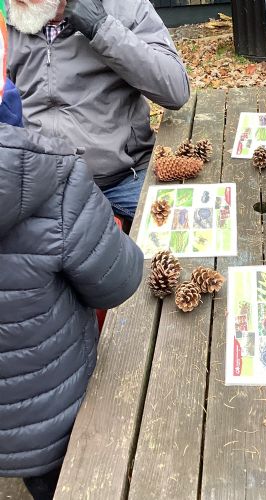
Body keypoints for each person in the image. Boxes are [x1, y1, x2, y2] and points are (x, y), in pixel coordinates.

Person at [0, 2, 144, 497]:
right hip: (55, 415)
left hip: (117, 178)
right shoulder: (11, 25)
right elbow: (120, 279)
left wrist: (96, 24)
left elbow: (176, 87)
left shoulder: (122, 8)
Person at [7, 0, 190, 219]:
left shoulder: (124, 6)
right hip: (37, 189)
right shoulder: (8, 18)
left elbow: (176, 89)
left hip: (121, 181)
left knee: (187, 232)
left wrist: (100, 26)